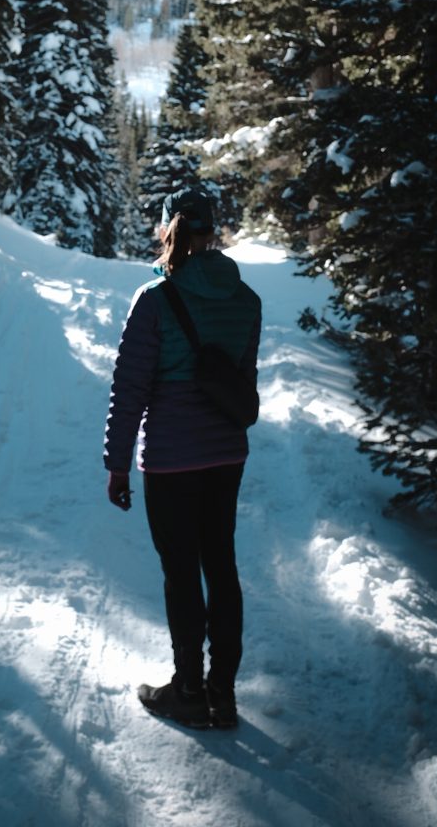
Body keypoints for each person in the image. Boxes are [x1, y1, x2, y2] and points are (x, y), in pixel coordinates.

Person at [103, 187, 261, 729]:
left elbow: (130, 390)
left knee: (181, 574)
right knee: (221, 564)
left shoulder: (154, 299)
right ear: (211, 231)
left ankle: (188, 690)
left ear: (170, 227)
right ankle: (224, 694)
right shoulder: (246, 300)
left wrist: (117, 462)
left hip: (171, 459)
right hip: (226, 456)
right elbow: (244, 383)